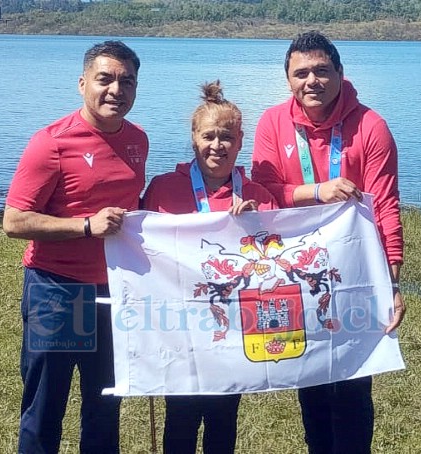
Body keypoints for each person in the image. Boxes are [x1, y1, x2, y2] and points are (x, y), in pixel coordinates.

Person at [250, 31, 406, 454]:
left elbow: (385, 205)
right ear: (287, 80)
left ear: (340, 73)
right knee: (312, 382)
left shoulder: (370, 125)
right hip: (296, 274)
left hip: (353, 272)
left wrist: (392, 283)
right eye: (301, 73)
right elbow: (263, 192)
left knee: (352, 389)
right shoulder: (272, 122)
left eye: (321, 71)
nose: (311, 81)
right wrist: (317, 191)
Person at [2, 41, 148, 454]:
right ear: (83, 83)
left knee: (106, 404)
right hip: (58, 290)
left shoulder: (138, 140)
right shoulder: (51, 143)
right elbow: (14, 221)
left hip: (114, 292)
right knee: (46, 406)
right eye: (105, 79)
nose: (116, 90)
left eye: (127, 81)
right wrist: (86, 226)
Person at [142, 80, 278, 454]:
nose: (217, 146)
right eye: (209, 136)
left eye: (226, 137)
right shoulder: (163, 187)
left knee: (222, 419)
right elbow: (140, 248)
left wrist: (258, 228)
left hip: (232, 329)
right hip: (180, 326)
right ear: (193, 138)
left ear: (240, 141)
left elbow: (276, 261)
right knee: (181, 418)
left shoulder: (256, 196)